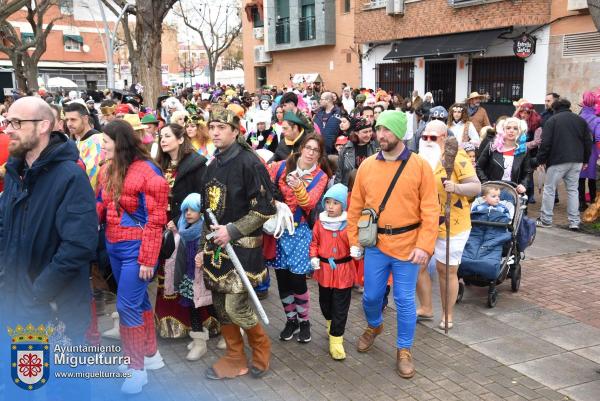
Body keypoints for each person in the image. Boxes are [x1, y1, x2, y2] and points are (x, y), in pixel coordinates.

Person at [347, 110, 438, 379]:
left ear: (400, 132)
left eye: (387, 129)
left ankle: (404, 349)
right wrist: (354, 239)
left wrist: (425, 245)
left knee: (405, 299)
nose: (381, 135)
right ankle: (375, 326)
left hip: (409, 246)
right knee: (371, 297)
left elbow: (431, 210)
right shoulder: (367, 166)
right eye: (378, 129)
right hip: (375, 243)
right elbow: (356, 207)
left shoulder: (420, 166)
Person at [0, 96, 97, 345]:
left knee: (61, 380)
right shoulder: (14, 172)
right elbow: (4, 226)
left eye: (16, 122)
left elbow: (78, 246)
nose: (7, 129)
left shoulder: (70, 176)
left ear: (43, 126)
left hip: (54, 307)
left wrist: (39, 291)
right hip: (16, 303)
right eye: (7, 121)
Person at [200, 106, 275, 380]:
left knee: (235, 306)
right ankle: (234, 356)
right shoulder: (212, 164)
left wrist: (232, 231)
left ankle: (261, 347)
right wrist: (202, 247)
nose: (216, 132)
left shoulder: (250, 163)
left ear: (235, 131)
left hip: (243, 249)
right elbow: (207, 212)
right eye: (212, 127)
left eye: (221, 127)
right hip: (216, 251)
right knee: (220, 306)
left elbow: (266, 208)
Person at [96, 119, 169, 393]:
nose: (101, 145)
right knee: (136, 303)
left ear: (119, 142)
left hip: (137, 248)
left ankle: (136, 369)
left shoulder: (150, 173)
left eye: (105, 141)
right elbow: (102, 204)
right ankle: (150, 356)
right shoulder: (108, 169)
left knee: (126, 306)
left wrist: (148, 259)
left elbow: (156, 220)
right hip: (114, 244)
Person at [415, 120, 481, 330]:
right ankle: (426, 308)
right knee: (418, 265)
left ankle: (448, 314)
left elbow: (476, 187)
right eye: (424, 137)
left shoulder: (457, 157)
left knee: (445, 270)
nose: (427, 141)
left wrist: (456, 187)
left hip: (453, 221)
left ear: (443, 137)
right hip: (426, 220)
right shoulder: (420, 159)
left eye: (432, 137)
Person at [269, 133, 330, 343]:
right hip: (279, 230)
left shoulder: (321, 177)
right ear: (301, 147)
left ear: (320, 155)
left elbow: (309, 204)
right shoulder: (280, 167)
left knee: (297, 279)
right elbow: (263, 185)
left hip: (301, 231)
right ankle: (290, 320)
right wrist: (275, 203)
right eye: (309, 148)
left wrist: (297, 186)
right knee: (282, 278)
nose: (311, 153)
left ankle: (304, 321)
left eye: (316, 150)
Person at [154, 123, 208, 339]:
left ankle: (198, 325)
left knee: (188, 275)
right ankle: (170, 324)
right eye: (160, 137)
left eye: (167, 136)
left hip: (185, 228)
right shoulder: (159, 165)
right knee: (165, 273)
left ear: (180, 138)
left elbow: (201, 197)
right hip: (163, 227)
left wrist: (179, 219)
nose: (162, 140)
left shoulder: (196, 164)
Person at [310, 183, 355, 360]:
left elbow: (356, 242)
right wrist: (313, 256)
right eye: (327, 202)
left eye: (335, 203)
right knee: (325, 303)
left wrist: (357, 248)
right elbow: (314, 243)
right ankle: (330, 323)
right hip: (325, 271)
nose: (330, 206)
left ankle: (336, 341)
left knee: (340, 307)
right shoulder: (320, 223)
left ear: (343, 205)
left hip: (344, 270)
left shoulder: (349, 223)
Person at [536, 98, 592, 230]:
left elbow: (545, 143)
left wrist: (541, 159)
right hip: (577, 160)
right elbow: (587, 141)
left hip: (557, 160)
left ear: (554, 109)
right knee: (573, 190)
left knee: (549, 189)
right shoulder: (580, 120)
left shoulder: (552, 120)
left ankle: (546, 220)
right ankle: (574, 222)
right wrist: (585, 160)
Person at [174, 193, 212, 361]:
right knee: (192, 308)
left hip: (202, 278)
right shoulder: (183, 228)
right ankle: (199, 341)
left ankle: (231, 334)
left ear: (201, 212)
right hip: (188, 277)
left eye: (193, 210)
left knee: (212, 308)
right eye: (185, 210)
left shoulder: (206, 231)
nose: (188, 213)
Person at [476, 117, 531, 194]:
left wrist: (523, 185)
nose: (511, 131)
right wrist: (486, 183)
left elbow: (527, 172)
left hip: (514, 192)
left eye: (515, 128)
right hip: (492, 191)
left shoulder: (524, 150)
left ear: (519, 131)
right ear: (503, 130)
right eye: (508, 128)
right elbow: (479, 166)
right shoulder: (492, 146)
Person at [64, 102, 104, 190]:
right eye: (67, 120)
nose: (69, 124)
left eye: (73, 119)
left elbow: (93, 176)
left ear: (85, 119)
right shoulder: (79, 140)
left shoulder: (97, 141)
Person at [335, 118, 379, 186]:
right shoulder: (346, 149)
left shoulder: (376, 146)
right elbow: (339, 173)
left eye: (370, 131)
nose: (368, 135)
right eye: (365, 132)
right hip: (350, 188)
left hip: (370, 186)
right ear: (356, 132)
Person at [578, 91, 600, 211]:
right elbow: (598, 137)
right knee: (592, 178)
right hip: (592, 152)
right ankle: (592, 202)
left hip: (579, 151)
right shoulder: (597, 119)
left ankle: (581, 203)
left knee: (580, 179)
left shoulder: (578, 117)